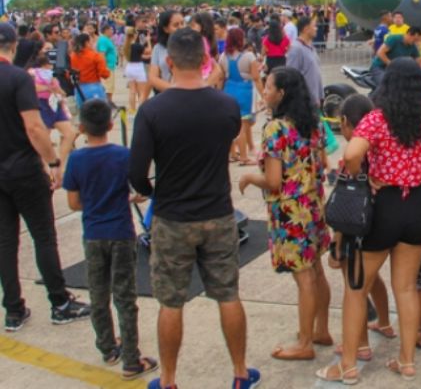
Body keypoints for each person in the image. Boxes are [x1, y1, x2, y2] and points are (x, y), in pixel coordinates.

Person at [128, 28, 259, 389]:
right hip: (218, 212)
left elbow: (136, 171)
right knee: (228, 295)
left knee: (171, 302)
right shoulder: (226, 106)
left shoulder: (153, 111)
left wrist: (148, 191)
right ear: (205, 62)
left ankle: (168, 380)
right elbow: (229, 138)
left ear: (169, 62)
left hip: (172, 216)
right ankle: (239, 372)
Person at [317, 58, 421, 384]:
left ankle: (347, 366)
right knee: (406, 288)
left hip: (383, 207)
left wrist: (364, 176)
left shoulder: (376, 120)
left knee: (356, 289)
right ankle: (406, 361)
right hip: (417, 207)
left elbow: (349, 155)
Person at [0, 23, 91, 332]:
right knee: (43, 235)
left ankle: (13, 308)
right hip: (23, 167)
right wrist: (52, 162)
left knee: (5, 241)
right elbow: (34, 127)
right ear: (12, 46)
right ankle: (60, 302)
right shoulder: (17, 78)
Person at [239, 67, 331, 361]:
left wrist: (251, 178)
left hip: (291, 212)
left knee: (303, 277)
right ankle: (321, 329)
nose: (264, 92)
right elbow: (323, 163)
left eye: (267, 87)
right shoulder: (312, 124)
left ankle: (305, 344)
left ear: (281, 93)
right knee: (316, 270)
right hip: (313, 206)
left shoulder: (276, 129)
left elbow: (274, 181)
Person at [64, 99, 158, 380]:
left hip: (93, 233)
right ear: (110, 124)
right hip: (120, 231)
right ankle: (132, 358)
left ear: (81, 127)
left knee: (98, 292)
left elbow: (72, 202)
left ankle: (107, 347)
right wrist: (130, 198)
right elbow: (136, 186)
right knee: (125, 295)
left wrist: (94, 203)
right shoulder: (122, 155)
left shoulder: (77, 159)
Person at [327, 94, 395, 359]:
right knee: (372, 277)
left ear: (345, 122)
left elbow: (346, 206)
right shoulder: (378, 148)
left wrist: (337, 242)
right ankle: (386, 323)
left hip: (357, 227)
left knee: (353, 286)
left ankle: (361, 345)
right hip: (382, 220)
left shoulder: (353, 157)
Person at [221, 27, 264, 166]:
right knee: (243, 126)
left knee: (231, 125)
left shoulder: (223, 57)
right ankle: (244, 157)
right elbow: (256, 78)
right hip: (245, 92)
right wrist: (264, 95)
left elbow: (221, 78)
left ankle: (233, 153)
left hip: (228, 91)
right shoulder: (249, 56)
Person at [286, 16, 324, 108]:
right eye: (314, 26)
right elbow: (291, 77)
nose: (316, 28)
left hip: (316, 100)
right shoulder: (296, 49)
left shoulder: (310, 47)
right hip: (305, 103)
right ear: (306, 29)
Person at [70, 33, 110, 107]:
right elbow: (104, 74)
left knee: (83, 114)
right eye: (91, 41)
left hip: (79, 88)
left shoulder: (72, 56)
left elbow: (68, 73)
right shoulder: (95, 56)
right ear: (87, 43)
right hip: (94, 86)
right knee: (99, 112)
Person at [148, 10, 184, 94]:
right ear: (166, 29)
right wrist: (174, 90)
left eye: (182, 23)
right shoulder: (158, 48)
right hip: (166, 95)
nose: (181, 27)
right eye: (176, 25)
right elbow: (153, 77)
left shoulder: (194, 44)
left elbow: (216, 71)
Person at [97, 24, 118, 106]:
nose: (112, 31)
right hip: (107, 66)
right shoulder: (103, 40)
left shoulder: (107, 39)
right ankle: (107, 102)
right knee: (108, 86)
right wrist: (103, 66)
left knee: (111, 86)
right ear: (106, 30)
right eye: (111, 30)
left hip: (111, 65)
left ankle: (110, 100)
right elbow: (102, 54)